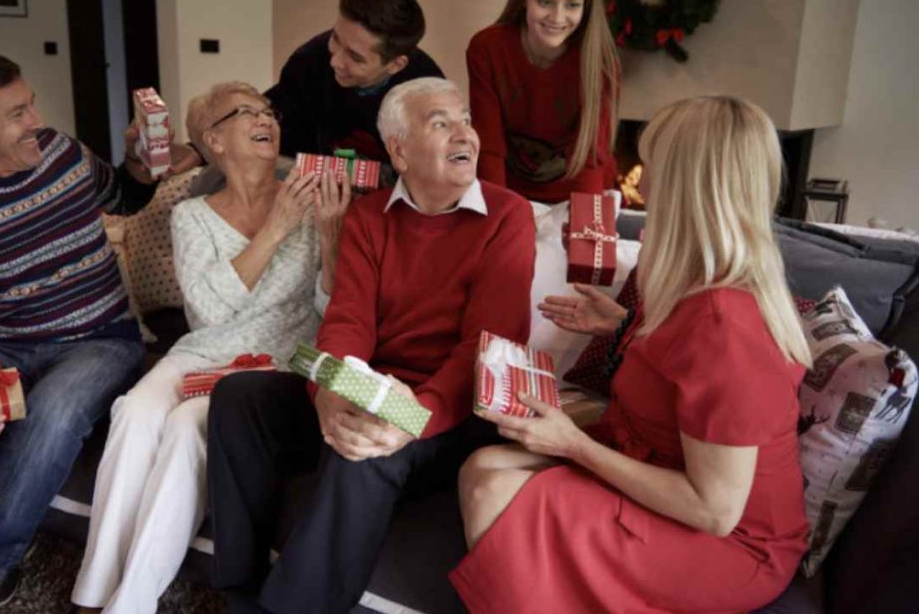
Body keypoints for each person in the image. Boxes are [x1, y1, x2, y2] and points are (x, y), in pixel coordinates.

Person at [450, 96, 813, 612]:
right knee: (483, 466)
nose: (639, 185)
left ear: (692, 189)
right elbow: (685, 373)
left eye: (655, 170)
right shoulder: (695, 285)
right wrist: (623, 328)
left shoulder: (726, 325)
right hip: (658, 467)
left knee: (492, 490)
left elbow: (715, 511)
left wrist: (574, 445)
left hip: (730, 544)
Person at [207, 77, 535, 613]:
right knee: (239, 399)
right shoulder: (368, 216)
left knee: (360, 453)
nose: (465, 135)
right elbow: (347, 321)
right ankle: (238, 590)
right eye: (441, 123)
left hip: (451, 409)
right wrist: (330, 394)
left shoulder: (507, 215)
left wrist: (412, 417)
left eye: (465, 120)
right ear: (399, 151)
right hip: (374, 385)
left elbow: (487, 345)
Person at [0, 49, 179, 612]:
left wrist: (142, 163)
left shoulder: (65, 154)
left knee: (54, 407)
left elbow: (124, 194)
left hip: (102, 339)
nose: (37, 122)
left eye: (31, 105)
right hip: (5, 347)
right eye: (17, 114)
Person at [71, 82, 350, 613]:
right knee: (134, 411)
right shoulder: (192, 215)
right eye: (246, 112)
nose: (265, 117)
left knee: (183, 428)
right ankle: (92, 588)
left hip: (275, 361)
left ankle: (129, 603)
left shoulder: (315, 206)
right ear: (213, 140)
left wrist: (331, 233)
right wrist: (274, 230)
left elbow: (329, 306)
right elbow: (207, 313)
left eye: (268, 109)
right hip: (203, 350)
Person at [188, 0, 444, 198]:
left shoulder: (427, 93)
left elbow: (429, 179)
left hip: (393, 185)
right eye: (336, 38)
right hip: (312, 169)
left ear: (395, 65)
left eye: (355, 57)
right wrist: (198, 150)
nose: (335, 61)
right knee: (215, 176)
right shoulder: (311, 58)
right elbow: (271, 120)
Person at [468, 0, 620, 203]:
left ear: (586, 5)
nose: (557, 18)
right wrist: (500, 214)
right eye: (544, 1)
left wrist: (583, 227)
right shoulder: (487, 49)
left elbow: (591, 158)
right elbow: (489, 148)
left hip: (578, 195)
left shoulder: (602, 63)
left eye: (572, 5)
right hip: (510, 191)